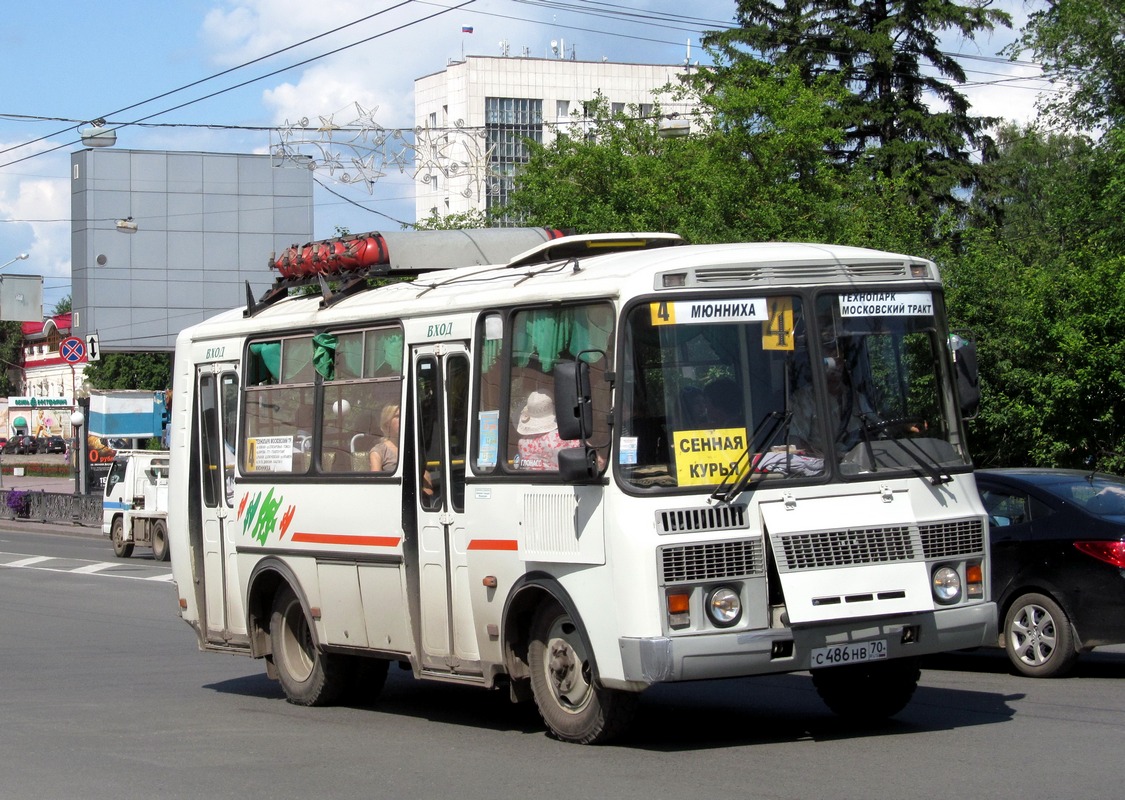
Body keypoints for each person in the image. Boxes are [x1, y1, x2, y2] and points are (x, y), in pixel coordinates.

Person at [515, 391, 581, 471]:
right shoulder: (565, 437)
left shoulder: (522, 442)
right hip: (561, 482)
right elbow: (598, 463)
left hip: (533, 482)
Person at [369, 404, 400, 472]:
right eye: (398, 416)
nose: (402, 420)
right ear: (387, 423)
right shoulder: (379, 452)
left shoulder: (413, 448)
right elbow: (376, 480)